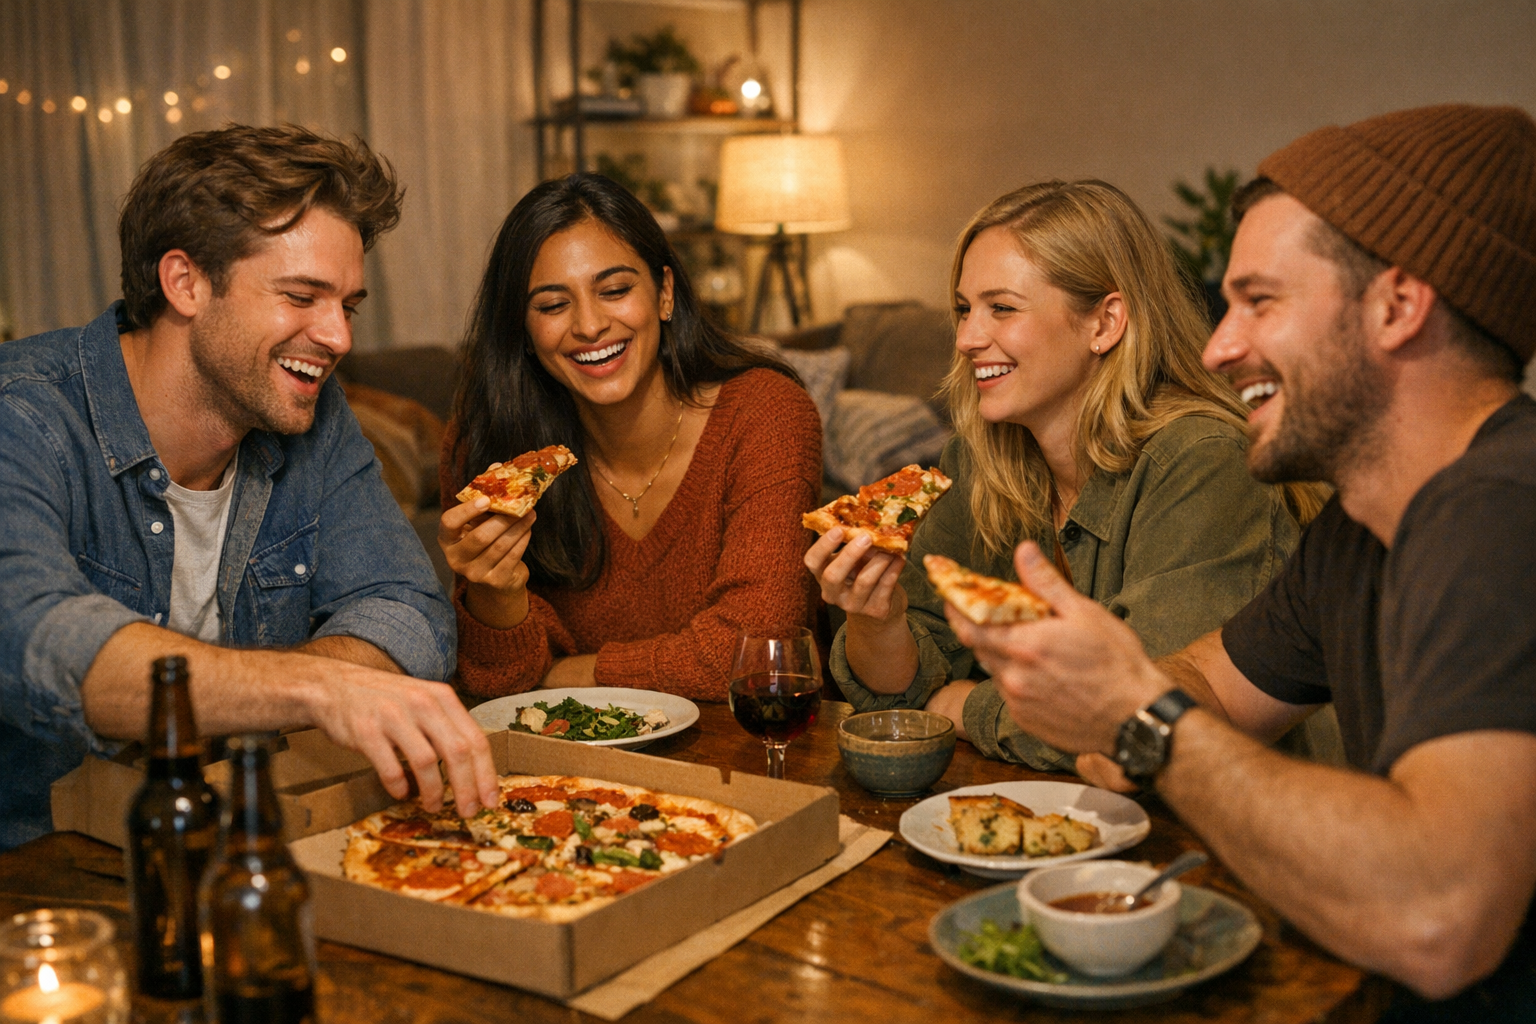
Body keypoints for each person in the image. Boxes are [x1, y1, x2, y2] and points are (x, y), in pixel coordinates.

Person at [951, 104, 1536, 1019]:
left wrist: (1136, 717)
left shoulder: (1501, 508)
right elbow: (1211, 688)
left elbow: (1437, 916)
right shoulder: (1359, 526)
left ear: (1398, 303)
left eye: (1260, 301)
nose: (1219, 348)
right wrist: (1106, 692)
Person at [0, 125, 500, 851]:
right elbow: (38, 640)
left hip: (248, 845)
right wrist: (318, 687)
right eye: (302, 296)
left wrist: (302, 682)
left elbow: (409, 612)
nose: (338, 338)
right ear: (186, 282)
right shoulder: (24, 415)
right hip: (43, 876)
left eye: (347, 305)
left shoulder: (313, 414)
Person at [807, 180, 1325, 769]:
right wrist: (878, 618)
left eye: (1001, 307)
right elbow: (902, 695)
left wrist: (962, 707)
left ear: (1105, 323)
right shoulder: (978, 459)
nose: (967, 338)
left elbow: (1141, 725)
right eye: (963, 309)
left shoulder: (1203, 461)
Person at [440, 173, 821, 701]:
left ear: (665, 293)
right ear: (523, 331)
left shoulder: (766, 414)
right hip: (570, 774)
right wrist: (495, 590)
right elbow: (498, 683)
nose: (591, 325)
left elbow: (750, 652)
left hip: (755, 762)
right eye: (553, 305)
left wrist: (566, 673)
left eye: (615, 291)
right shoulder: (488, 445)